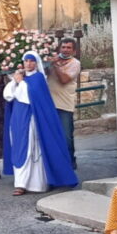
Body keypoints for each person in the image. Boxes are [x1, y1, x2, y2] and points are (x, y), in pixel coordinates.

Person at [3, 51, 78, 195]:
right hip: (19, 117)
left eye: (31, 61)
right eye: (26, 61)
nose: (28, 64)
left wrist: (19, 82)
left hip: (32, 118)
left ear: (36, 63)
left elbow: (28, 97)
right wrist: (14, 81)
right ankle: (20, 183)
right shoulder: (22, 78)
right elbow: (8, 95)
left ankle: (35, 183)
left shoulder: (38, 78)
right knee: (20, 147)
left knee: (31, 147)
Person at [47, 38, 81, 170]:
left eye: (68, 48)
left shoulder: (75, 63)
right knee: (51, 135)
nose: (65, 50)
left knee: (66, 136)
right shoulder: (52, 61)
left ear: (74, 50)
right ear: (59, 48)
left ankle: (70, 161)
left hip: (64, 105)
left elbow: (64, 79)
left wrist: (55, 65)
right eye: (63, 47)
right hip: (50, 103)